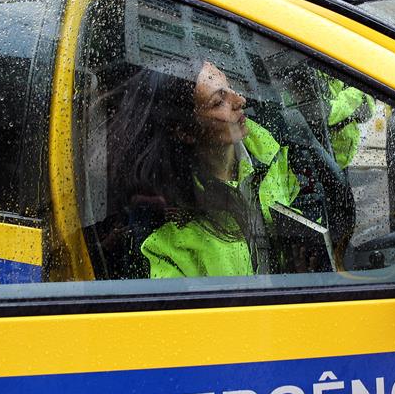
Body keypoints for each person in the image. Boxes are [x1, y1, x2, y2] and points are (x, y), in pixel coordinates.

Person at [107, 60, 300, 278]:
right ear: (185, 131)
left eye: (230, 88)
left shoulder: (266, 149)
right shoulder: (171, 231)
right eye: (219, 102)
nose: (240, 100)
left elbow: (298, 205)